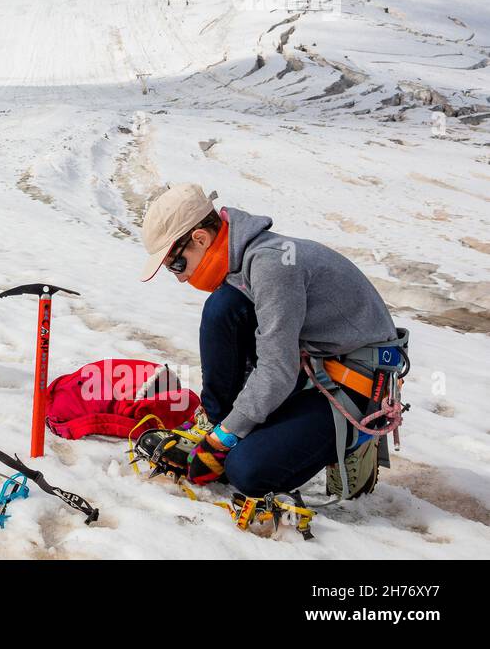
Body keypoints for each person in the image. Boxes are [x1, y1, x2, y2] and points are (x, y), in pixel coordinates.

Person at [138, 183, 405, 500]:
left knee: (246, 472)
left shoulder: (272, 264)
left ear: (200, 238)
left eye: (176, 265)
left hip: (356, 385)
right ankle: (213, 421)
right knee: (224, 307)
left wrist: (224, 439)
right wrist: (225, 425)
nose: (180, 277)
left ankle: (356, 442)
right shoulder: (244, 264)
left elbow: (277, 369)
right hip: (311, 366)